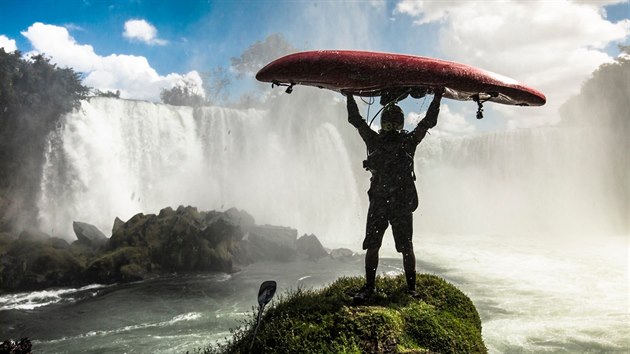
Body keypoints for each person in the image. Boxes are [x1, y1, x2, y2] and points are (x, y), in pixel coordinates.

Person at [346, 88, 444, 303]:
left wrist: (350, 95)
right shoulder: (407, 142)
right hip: (397, 204)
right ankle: (408, 289)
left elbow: (356, 120)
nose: (391, 125)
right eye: (391, 121)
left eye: (393, 121)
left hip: (385, 203)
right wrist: (437, 96)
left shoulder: (375, 140)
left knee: (385, 246)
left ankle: (375, 287)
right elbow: (427, 122)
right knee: (402, 247)